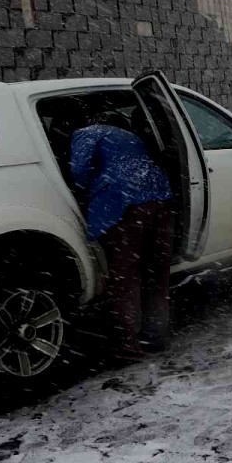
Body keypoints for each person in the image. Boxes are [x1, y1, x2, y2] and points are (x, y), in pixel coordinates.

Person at [70, 110, 175, 360]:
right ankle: (156, 335)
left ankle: (125, 343)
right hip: (159, 196)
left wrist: (83, 192)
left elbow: (78, 170)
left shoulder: (87, 133)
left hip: (123, 199)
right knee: (156, 271)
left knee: (126, 275)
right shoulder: (131, 137)